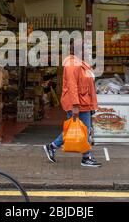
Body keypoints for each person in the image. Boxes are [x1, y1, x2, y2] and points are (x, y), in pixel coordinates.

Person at [43, 39, 101, 168]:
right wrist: (75, 106)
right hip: (78, 103)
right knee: (84, 129)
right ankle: (86, 158)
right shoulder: (71, 65)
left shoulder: (81, 63)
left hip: (84, 102)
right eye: (84, 48)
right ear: (77, 50)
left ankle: (52, 147)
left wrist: (92, 104)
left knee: (76, 129)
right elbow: (72, 86)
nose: (87, 50)